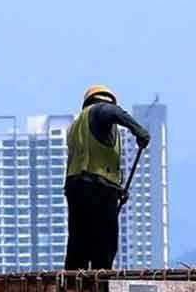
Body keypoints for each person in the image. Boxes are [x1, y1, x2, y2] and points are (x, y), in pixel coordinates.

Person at [64, 85, 150, 270]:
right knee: (105, 244)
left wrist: (117, 189)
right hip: (97, 190)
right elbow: (109, 111)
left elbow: (92, 161)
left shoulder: (76, 125)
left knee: (78, 244)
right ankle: (100, 291)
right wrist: (138, 130)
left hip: (77, 189)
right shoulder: (99, 111)